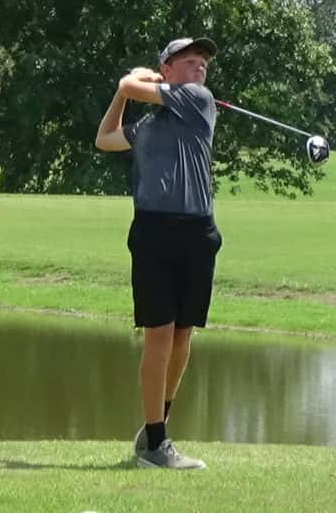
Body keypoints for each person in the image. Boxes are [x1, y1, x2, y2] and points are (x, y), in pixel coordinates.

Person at [95, 37, 222, 470]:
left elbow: (131, 85)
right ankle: (154, 443)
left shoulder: (199, 100)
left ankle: (156, 427)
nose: (200, 67)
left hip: (198, 232)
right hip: (153, 232)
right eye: (189, 61)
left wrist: (135, 81)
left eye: (203, 61)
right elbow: (105, 138)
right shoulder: (148, 126)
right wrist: (123, 91)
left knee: (183, 336)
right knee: (160, 334)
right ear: (166, 69)